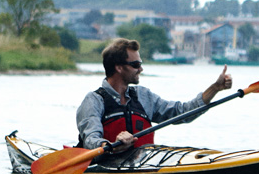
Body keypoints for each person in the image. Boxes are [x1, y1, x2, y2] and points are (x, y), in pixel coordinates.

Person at [76, 38, 233, 153]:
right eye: (136, 65)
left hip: (142, 165)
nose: (141, 69)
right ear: (118, 68)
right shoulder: (94, 100)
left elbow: (182, 112)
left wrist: (215, 88)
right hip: (106, 164)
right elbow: (90, 139)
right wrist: (111, 146)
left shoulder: (144, 96)